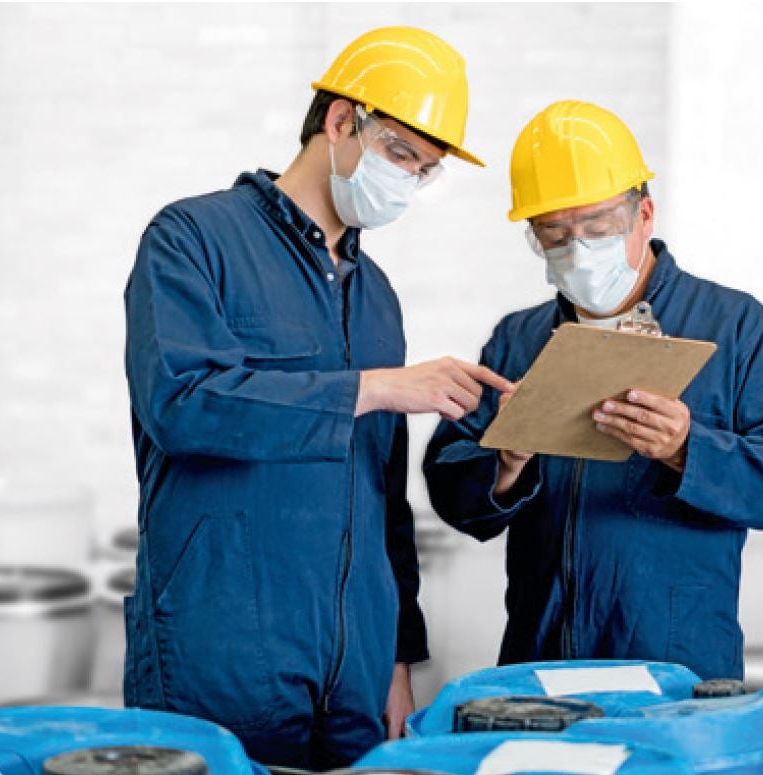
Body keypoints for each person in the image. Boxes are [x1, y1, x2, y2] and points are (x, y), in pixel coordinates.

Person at [122, 27, 510, 767]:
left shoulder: (377, 296)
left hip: (357, 666)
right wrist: (373, 387)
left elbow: (381, 491)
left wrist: (397, 654)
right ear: (339, 122)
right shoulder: (193, 238)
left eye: (423, 170)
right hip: (222, 646)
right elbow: (182, 403)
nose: (407, 181)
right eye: (400, 154)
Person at [423, 100, 763, 680]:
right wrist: (505, 459)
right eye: (554, 234)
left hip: (678, 662)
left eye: (597, 226)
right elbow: (451, 489)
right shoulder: (518, 340)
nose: (578, 248)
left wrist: (688, 448)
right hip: (543, 660)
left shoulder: (734, 327)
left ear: (645, 213)